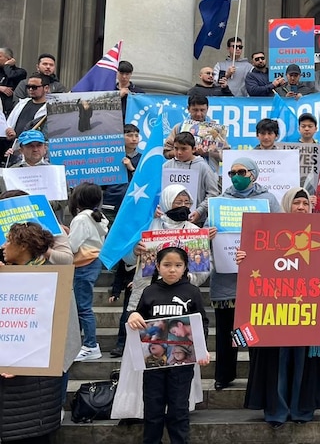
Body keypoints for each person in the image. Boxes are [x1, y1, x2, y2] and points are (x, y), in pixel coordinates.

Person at [112, 185, 213, 421]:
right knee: (144, 354)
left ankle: (178, 406)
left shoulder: (194, 230)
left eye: (187, 201)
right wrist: (134, 251)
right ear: (166, 201)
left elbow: (202, 270)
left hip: (180, 306)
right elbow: (127, 260)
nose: (182, 205)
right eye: (177, 201)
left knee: (178, 357)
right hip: (148, 299)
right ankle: (139, 406)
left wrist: (183, 279)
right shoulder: (150, 226)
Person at [243, 187, 320, 428]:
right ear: (287, 205)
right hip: (277, 312)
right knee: (278, 362)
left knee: (303, 360)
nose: (302, 208)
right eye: (297, 203)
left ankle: (301, 410)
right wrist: (246, 258)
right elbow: (259, 267)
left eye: (305, 203)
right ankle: (276, 411)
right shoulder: (271, 234)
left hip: (308, 311)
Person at [210, 158, 282, 391]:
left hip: (257, 279)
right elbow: (207, 234)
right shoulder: (220, 202)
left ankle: (256, 377)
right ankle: (224, 374)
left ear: (254, 174)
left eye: (241, 172)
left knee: (254, 332)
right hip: (226, 280)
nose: (236, 176)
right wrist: (209, 233)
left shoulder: (268, 199)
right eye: (232, 173)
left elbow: (280, 233)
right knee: (225, 331)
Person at [127, 246, 210, 444]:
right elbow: (139, 320)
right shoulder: (149, 291)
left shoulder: (192, 291)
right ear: (157, 266)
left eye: (178, 265)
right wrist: (133, 315)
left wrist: (202, 348)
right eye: (167, 265)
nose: (172, 270)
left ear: (185, 267)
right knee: (153, 409)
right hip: (154, 363)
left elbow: (202, 323)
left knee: (178, 410)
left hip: (181, 363)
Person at [0, 222, 66, 444]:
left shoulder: (52, 279)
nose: (3, 245)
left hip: (35, 386)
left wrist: (23, 362)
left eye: (9, 240)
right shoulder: (6, 275)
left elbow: (58, 334)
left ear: (23, 245)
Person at [70, 182, 109, 362]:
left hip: (83, 264)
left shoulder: (80, 219)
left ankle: (90, 345)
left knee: (82, 307)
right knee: (83, 306)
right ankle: (86, 344)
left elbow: (72, 246)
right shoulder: (97, 217)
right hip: (94, 261)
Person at [162, 132, 220, 225]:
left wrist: (199, 211)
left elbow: (213, 193)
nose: (179, 152)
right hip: (170, 221)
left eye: (184, 149)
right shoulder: (166, 166)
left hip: (194, 220)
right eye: (176, 148)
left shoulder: (203, 167)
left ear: (193, 149)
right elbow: (159, 192)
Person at [163, 95, 230, 172]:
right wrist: (187, 152)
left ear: (207, 109)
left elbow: (227, 156)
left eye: (202, 110)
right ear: (188, 109)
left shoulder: (216, 130)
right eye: (195, 110)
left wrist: (209, 153)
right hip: (182, 174)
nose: (198, 114)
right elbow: (167, 152)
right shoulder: (179, 128)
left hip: (209, 173)